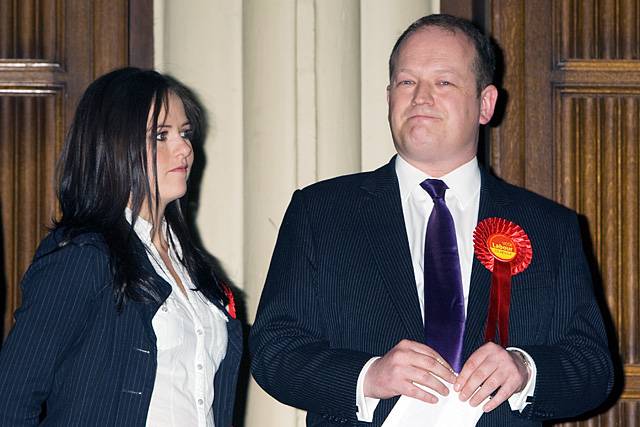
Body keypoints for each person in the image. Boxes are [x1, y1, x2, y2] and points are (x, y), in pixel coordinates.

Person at [250, 14, 613, 426]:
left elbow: (593, 367)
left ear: (486, 103)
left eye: (443, 82)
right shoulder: (320, 212)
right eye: (407, 82)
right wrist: (368, 376)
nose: (420, 97)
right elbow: (273, 350)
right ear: (389, 97)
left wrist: (525, 370)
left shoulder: (550, 228)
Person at [0, 67, 241, 426]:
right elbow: (12, 397)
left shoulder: (191, 265)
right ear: (114, 146)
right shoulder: (84, 255)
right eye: (160, 136)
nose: (185, 149)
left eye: (185, 133)